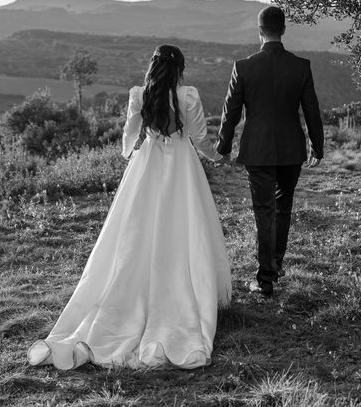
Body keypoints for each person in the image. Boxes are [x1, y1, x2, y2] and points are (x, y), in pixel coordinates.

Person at [27, 45, 231, 370]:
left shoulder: (139, 94)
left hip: (146, 164)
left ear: (152, 66)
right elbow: (199, 138)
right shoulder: (187, 96)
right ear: (180, 69)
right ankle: (184, 292)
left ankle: (125, 301)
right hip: (181, 165)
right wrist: (218, 157)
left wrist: (129, 155)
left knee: (136, 230)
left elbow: (128, 135)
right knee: (184, 228)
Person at [216, 6, 324, 297]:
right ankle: (275, 267)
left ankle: (264, 280)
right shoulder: (301, 66)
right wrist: (318, 145)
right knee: (283, 208)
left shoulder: (244, 66)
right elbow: (311, 110)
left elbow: (231, 113)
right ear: (284, 30)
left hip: (258, 150)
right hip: (291, 150)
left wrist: (222, 148)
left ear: (260, 31)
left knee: (264, 212)